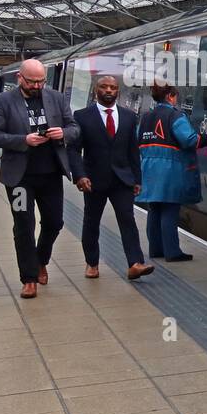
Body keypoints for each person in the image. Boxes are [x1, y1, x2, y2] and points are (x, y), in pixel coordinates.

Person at [0, 59, 79, 298]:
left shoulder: (56, 98)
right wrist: (22, 141)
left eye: (41, 81)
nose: (37, 86)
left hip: (50, 175)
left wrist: (63, 133)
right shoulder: (2, 102)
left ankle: (40, 260)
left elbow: (74, 127)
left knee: (54, 222)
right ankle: (29, 278)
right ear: (20, 77)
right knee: (23, 225)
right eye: (32, 81)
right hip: (19, 178)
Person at [68, 74, 154, 281]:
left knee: (128, 220)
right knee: (91, 221)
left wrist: (137, 179)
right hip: (93, 180)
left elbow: (133, 151)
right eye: (104, 87)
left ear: (118, 91)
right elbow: (73, 150)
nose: (108, 90)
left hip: (122, 180)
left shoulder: (128, 117)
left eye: (113, 88)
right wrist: (79, 176)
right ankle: (92, 263)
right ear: (96, 90)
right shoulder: (82, 116)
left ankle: (135, 263)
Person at [136, 83, 207, 261]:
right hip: (169, 169)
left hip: (148, 168)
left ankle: (155, 249)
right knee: (170, 209)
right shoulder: (175, 115)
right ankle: (172, 252)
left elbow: (137, 138)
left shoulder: (147, 116)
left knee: (154, 209)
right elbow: (189, 140)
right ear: (171, 96)